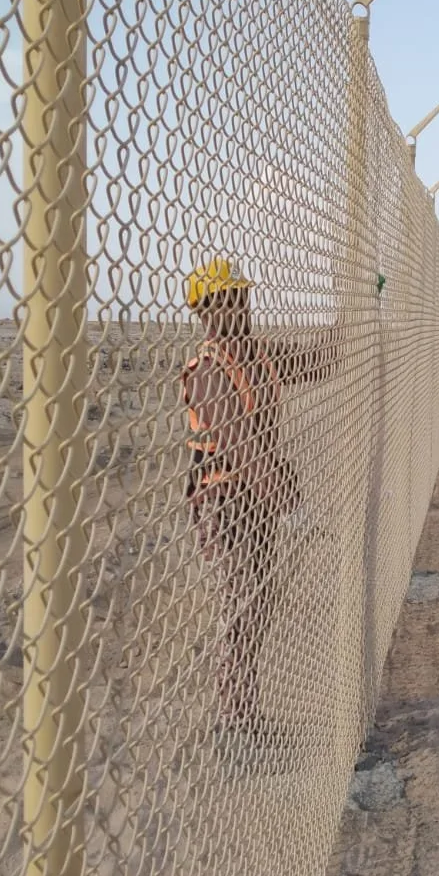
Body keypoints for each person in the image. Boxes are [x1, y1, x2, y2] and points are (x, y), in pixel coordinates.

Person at [182, 257, 336, 744]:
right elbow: (242, 448)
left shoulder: (257, 353)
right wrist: (291, 506)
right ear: (206, 311)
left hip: (256, 498)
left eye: (243, 296)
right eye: (229, 300)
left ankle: (244, 711)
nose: (241, 307)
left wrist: (356, 311)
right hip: (225, 500)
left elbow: (320, 361)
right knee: (243, 605)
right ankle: (235, 720)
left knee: (258, 603)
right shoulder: (207, 370)